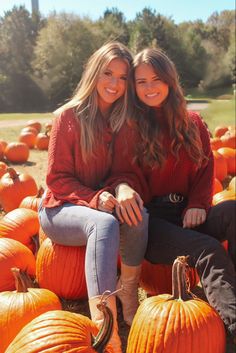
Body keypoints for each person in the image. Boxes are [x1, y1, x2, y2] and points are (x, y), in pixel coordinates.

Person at [116, 47, 235, 339]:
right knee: (208, 250)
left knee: (232, 211)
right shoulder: (129, 126)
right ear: (133, 87)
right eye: (141, 81)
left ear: (169, 80)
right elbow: (123, 173)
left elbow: (206, 168)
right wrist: (124, 188)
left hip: (187, 213)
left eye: (155, 78)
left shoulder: (192, 122)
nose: (149, 87)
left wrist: (197, 203)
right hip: (152, 223)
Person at [38, 42, 149, 353]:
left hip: (100, 202)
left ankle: (127, 292)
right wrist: (96, 198)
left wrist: (124, 188)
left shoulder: (122, 120)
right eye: (107, 73)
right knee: (104, 225)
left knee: (137, 214)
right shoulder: (68, 117)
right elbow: (56, 180)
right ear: (94, 72)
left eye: (123, 77)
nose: (114, 84)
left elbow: (123, 170)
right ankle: (104, 325)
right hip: (60, 209)